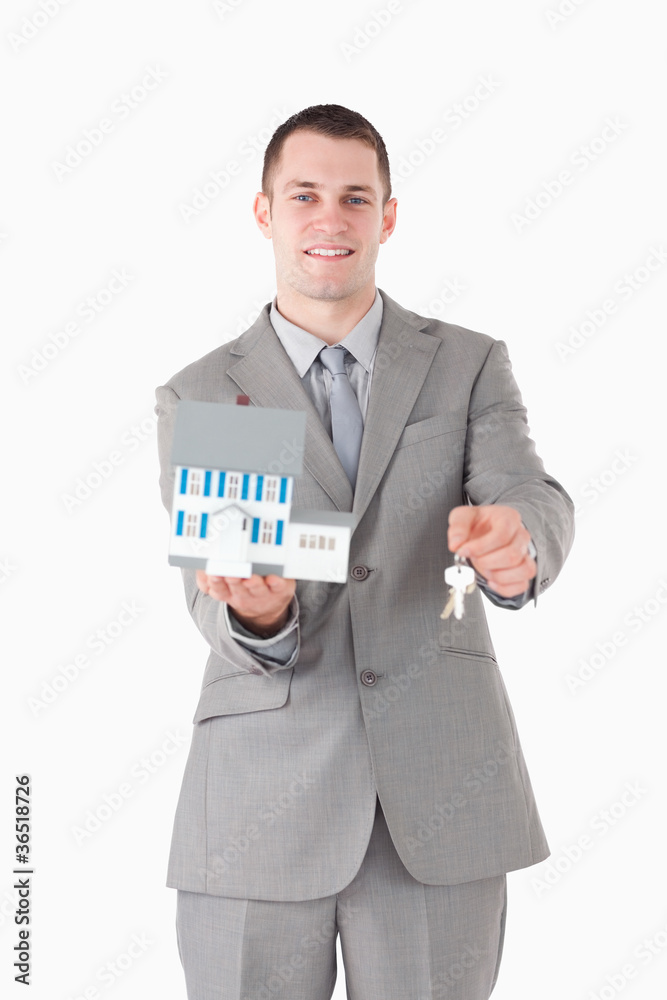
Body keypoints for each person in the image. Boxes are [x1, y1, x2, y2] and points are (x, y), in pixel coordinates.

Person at [155, 103, 574, 1000]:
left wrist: (519, 541)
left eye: (354, 197)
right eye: (303, 194)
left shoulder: (465, 363)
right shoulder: (210, 391)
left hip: (440, 796)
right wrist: (257, 612)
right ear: (264, 212)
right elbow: (214, 593)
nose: (330, 218)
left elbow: (526, 492)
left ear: (386, 217)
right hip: (256, 806)